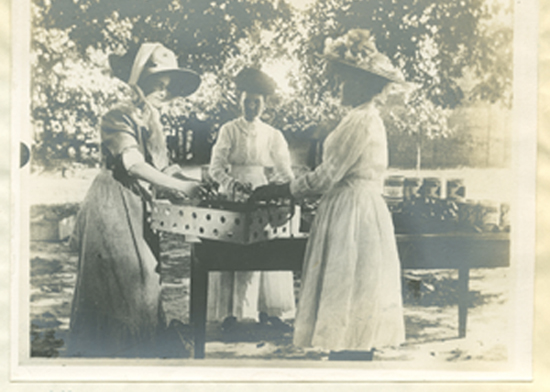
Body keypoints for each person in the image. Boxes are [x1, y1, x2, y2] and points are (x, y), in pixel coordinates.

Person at [252, 30, 406, 360]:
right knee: (348, 285)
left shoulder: (362, 120)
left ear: (362, 84)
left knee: (350, 282)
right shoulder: (359, 118)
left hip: (353, 210)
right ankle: (348, 353)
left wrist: (284, 189)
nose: (338, 87)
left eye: (343, 81)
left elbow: (327, 175)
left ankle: (350, 356)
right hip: (351, 206)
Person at [67, 43, 202, 357]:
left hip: (139, 204)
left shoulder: (153, 121)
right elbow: (133, 165)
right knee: (122, 283)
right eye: (156, 83)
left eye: (168, 87)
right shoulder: (118, 115)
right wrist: (182, 189)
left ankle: (138, 356)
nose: (162, 91)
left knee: (144, 280)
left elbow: (159, 168)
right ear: (139, 81)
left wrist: (193, 183)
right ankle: (112, 359)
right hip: (112, 205)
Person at [207, 67, 296, 328]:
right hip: (232, 195)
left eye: (256, 102)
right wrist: (231, 183)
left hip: (261, 191)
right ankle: (230, 313)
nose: (251, 106)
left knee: (265, 247)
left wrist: (287, 190)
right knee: (231, 250)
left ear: (264, 104)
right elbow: (215, 168)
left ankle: (268, 310)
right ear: (239, 101)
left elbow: (284, 171)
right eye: (246, 101)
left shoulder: (273, 134)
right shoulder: (229, 130)